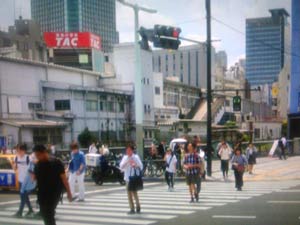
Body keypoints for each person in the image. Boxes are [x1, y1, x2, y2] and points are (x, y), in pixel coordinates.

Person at [33, 144, 72, 225]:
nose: (37, 157)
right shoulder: (37, 165)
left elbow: (64, 179)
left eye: (38, 155)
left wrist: (69, 192)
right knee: (45, 214)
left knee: (48, 213)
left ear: (44, 152)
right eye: (36, 155)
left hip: (54, 193)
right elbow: (35, 179)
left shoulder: (56, 163)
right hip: (42, 194)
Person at [120, 144, 143, 214]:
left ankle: (138, 206)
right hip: (127, 178)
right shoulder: (125, 157)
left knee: (134, 193)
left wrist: (135, 165)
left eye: (129, 150)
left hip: (133, 178)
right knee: (129, 194)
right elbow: (121, 167)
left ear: (132, 151)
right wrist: (127, 162)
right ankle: (132, 208)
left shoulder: (135, 157)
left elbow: (141, 166)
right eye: (127, 150)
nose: (128, 151)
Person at [13, 144, 34, 218]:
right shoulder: (15, 157)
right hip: (20, 180)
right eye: (17, 150)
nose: (17, 151)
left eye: (19, 150)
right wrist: (14, 166)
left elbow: (32, 170)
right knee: (24, 197)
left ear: (23, 150)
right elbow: (15, 168)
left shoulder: (28, 158)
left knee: (23, 196)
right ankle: (30, 210)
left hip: (27, 181)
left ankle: (20, 212)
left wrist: (32, 181)